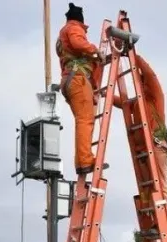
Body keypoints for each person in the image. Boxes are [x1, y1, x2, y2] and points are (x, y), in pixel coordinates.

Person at [55, 3, 109, 176]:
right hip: (77, 79)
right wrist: (94, 50)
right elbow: (78, 43)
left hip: (70, 81)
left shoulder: (63, 33)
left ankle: (82, 161)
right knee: (85, 120)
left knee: (82, 120)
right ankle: (85, 161)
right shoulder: (73, 28)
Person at [111, 53, 167, 192]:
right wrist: (106, 95)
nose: (139, 83)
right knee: (147, 189)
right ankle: (151, 213)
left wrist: (134, 57)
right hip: (143, 150)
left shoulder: (156, 97)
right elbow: (123, 103)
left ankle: (165, 214)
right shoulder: (139, 102)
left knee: (160, 188)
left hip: (156, 146)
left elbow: (151, 75)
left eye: (142, 80)